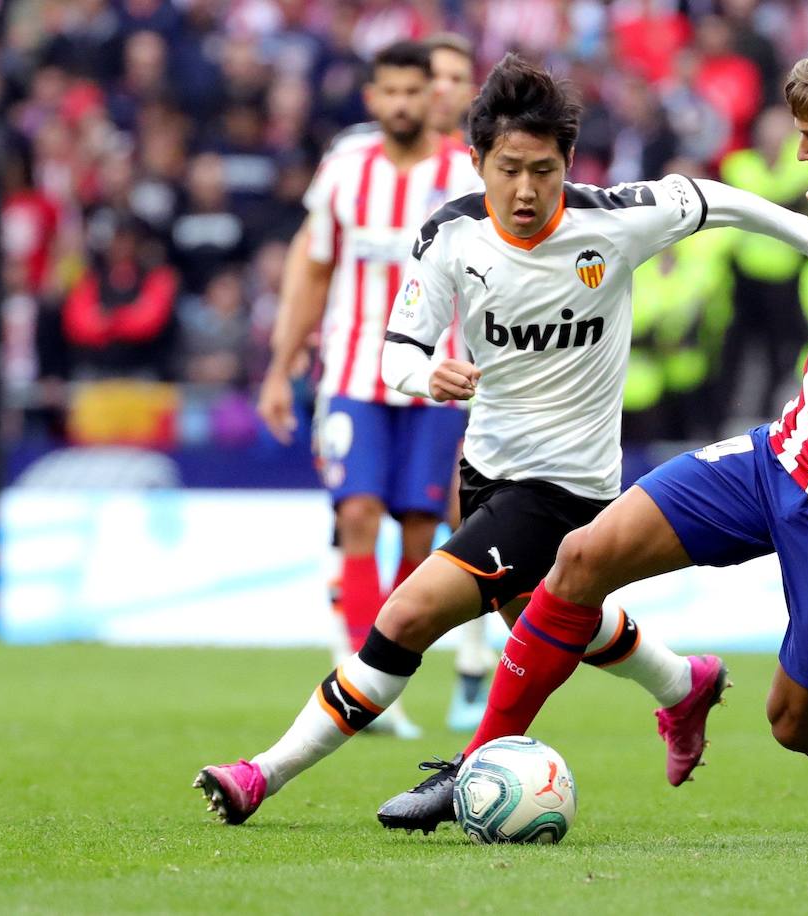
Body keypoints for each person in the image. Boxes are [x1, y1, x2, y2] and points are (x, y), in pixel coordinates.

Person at [379, 34, 808, 844]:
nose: (800, 154)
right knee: (581, 559)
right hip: (779, 460)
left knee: (799, 723)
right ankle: (473, 768)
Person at [195, 53, 808, 827]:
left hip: (568, 488)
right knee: (546, 614)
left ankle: (262, 774)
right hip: (486, 468)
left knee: (406, 616)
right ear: (476, 162)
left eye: (542, 170)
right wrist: (423, 375)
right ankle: (683, 683)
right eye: (507, 170)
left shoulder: (614, 220)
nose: (524, 191)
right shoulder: (453, 236)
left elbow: (710, 198)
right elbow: (399, 344)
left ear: (568, 162)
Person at [258, 35, 495, 734]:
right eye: (388, 92)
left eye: (413, 92)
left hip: (435, 376)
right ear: (372, 99)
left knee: (421, 527)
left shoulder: (464, 174)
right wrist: (280, 364)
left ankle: (383, 672)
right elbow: (315, 268)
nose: (401, 103)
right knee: (356, 513)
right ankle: (359, 676)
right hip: (355, 370)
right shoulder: (344, 169)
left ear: (434, 99)